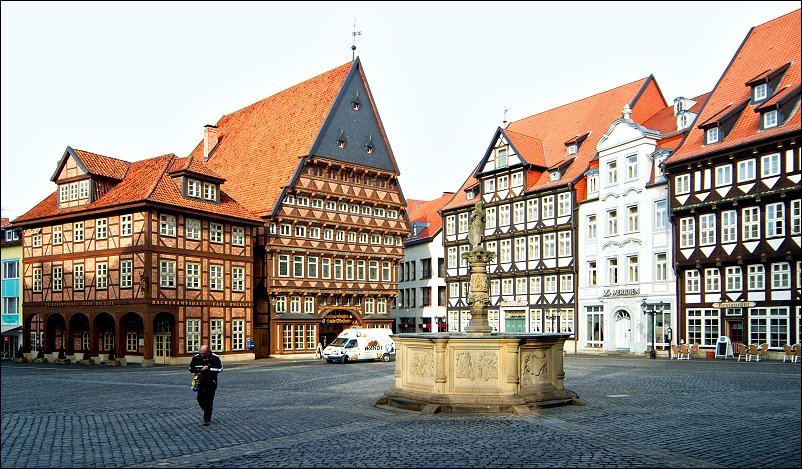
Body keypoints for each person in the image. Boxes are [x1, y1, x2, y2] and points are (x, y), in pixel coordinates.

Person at [189, 345, 223, 426]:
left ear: (208, 352)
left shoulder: (215, 358)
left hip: (211, 382)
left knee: (209, 401)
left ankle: (207, 419)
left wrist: (209, 368)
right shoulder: (196, 358)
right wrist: (198, 370)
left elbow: (220, 369)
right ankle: (207, 410)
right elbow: (191, 369)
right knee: (200, 399)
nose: (202, 355)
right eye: (201, 353)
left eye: (204, 354)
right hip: (200, 382)